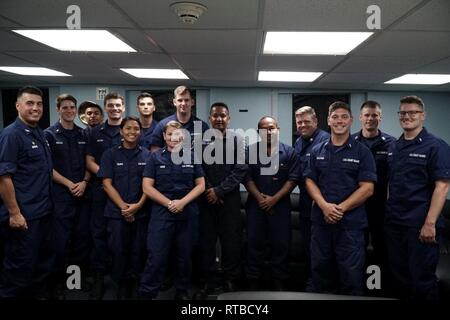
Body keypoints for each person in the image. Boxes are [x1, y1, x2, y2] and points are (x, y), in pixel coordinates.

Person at [304, 101, 376, 295]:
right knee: (320, 272)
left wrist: (339, 209)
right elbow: (310, 181)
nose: (339, 121)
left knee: (351, 275)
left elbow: (367, 188)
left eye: (344, 117)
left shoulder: (363, 152)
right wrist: (323, 206)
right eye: (335, 117)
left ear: (351, 120)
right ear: (328, 121)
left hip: (350, 226)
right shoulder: (317, 151)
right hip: (321, 223)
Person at [385, 96, 450, 300]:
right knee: (399, 279)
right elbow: (391, 182)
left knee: (422, 280)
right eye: (403, 113)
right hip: (395, 223)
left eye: (412, 112)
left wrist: (430, 223)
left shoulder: (436, 146)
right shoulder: (394, 146)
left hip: (420, 225)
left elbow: (442, 186)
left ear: (423, 115)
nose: (407, 116)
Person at [139, 120, 205, 300]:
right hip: (162, 214)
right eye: (169, 134)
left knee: (184, 256)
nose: (173, 138)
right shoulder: (154, 157)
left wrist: (182, 202)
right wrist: (169, 203)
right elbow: (147, 187)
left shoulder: (192, 157)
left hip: (187, 213)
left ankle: (181, 290)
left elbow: (200, 185)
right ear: (164, 136)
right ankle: (148, 292)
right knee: (157, 256)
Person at [0, 86, 54, 298]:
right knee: (19, 268)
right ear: (18, 106)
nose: (36, 108)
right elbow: (4, 177)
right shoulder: (11, 135)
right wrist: (14, 213)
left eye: (39, 104)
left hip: (43, 212)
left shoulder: (38, 132)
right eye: (30, 103)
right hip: (24, 216)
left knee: (41, 263)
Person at [194, 102, 248, 299]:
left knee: (231, 241)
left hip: (229, 199)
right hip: (205, 199)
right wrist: (209, 190)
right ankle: (208, 280)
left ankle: (230, 279)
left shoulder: (238, 140)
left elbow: (240, 169)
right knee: (206, 242)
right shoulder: (200, 141)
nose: (219, 119)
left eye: (222, 116)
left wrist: (219, 190)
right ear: (210, 118)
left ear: (228, 118)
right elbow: (197, 167)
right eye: (215, 115)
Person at [44, 94, 91, 299]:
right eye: (65, 107)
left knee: (80, 239)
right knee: (60, 242)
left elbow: (90, 162)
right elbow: (48, 167)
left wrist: (84, 182)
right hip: (61, 195)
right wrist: (69, 183)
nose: (70, 111)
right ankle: (57, 283)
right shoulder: (49, 135)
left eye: (72, 107)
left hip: (82, 194)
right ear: (58, 109)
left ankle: (75, 281)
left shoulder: (84, 134)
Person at [244, 116, 300, 291]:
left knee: (281, 245)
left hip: (281, 207)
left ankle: (279, 282)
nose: (268, 132)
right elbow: (246, 178)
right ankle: (253, 281)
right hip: (256, 206)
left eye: (272, 128)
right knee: (254, 244)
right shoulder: (249, 151)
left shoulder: (289, 152)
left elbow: (293, 179)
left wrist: (274, 199)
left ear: (278, 130)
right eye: (264, 128)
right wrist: (261, 199)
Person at [97, 117, 149, 300]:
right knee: (118, 250)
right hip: (116, 213)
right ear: (121, 131)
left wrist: (137, 206)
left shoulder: (147, 155)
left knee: (138, 249)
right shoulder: (109, 155)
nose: (132, 132)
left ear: (140, 132)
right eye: (128, 128)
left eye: (136, 128)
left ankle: (135, 282)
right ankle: (120, 284)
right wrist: (124, 208)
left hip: (141, 212)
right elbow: (106, 184)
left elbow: (150, 186)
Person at [351, 100, 395, 292]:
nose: (370, 118)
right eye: (367, 115)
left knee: (380, 249)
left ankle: (376, 288)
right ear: (360, 118)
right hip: (355, 207)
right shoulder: (350, 142)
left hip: (381, 208)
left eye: (374, 115)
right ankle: (358, 287)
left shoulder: (392, 143)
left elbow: (396, 177)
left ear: (380, 117)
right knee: (355, 250)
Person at [86, 92, 125, 299]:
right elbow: (89, 161)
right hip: (100, 191)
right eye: (111, 105)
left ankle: (120, 279)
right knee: (98, 235)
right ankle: (100, 278)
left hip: (124, 192)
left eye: (118, 105)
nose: (115, 108)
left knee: (120, 238)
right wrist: (107, 175)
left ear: (123, 108)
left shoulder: (129, 129)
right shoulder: (95, 132)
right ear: (106, 108)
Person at [293, 106, 329, 285]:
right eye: (299, 122)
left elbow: (326, 176)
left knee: (321, 248)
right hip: (305, 203)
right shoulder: (299, 142)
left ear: (315, 121)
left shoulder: (325, 141)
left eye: (307, 121)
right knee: (308, 245)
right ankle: (312, 282)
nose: (302, 125)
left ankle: (322, 286)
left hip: (321, 204)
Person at [149, 85, 209, 152]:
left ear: (192, 102)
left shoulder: (202, 126)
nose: (183, 103)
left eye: (186, 100)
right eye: (180, 100)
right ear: (174, 102)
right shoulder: (163, 125)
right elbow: (154, 149)